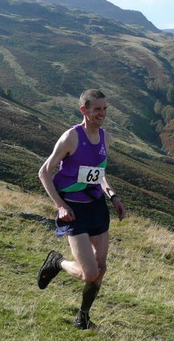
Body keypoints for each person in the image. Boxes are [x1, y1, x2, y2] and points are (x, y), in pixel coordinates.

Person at [37, 89, 126, 330]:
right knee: (89, 273)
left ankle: (83, 317)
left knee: (101, 268)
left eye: (105, 109)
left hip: (97, 207)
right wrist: (60, 205)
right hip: (73, 210)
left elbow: (100, 173)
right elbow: (44, 172)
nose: (102, 114)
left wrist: (112, 196)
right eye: (97, 109)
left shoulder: (106, 138)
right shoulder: (71, 138)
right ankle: (56, 262)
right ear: (84, 111)